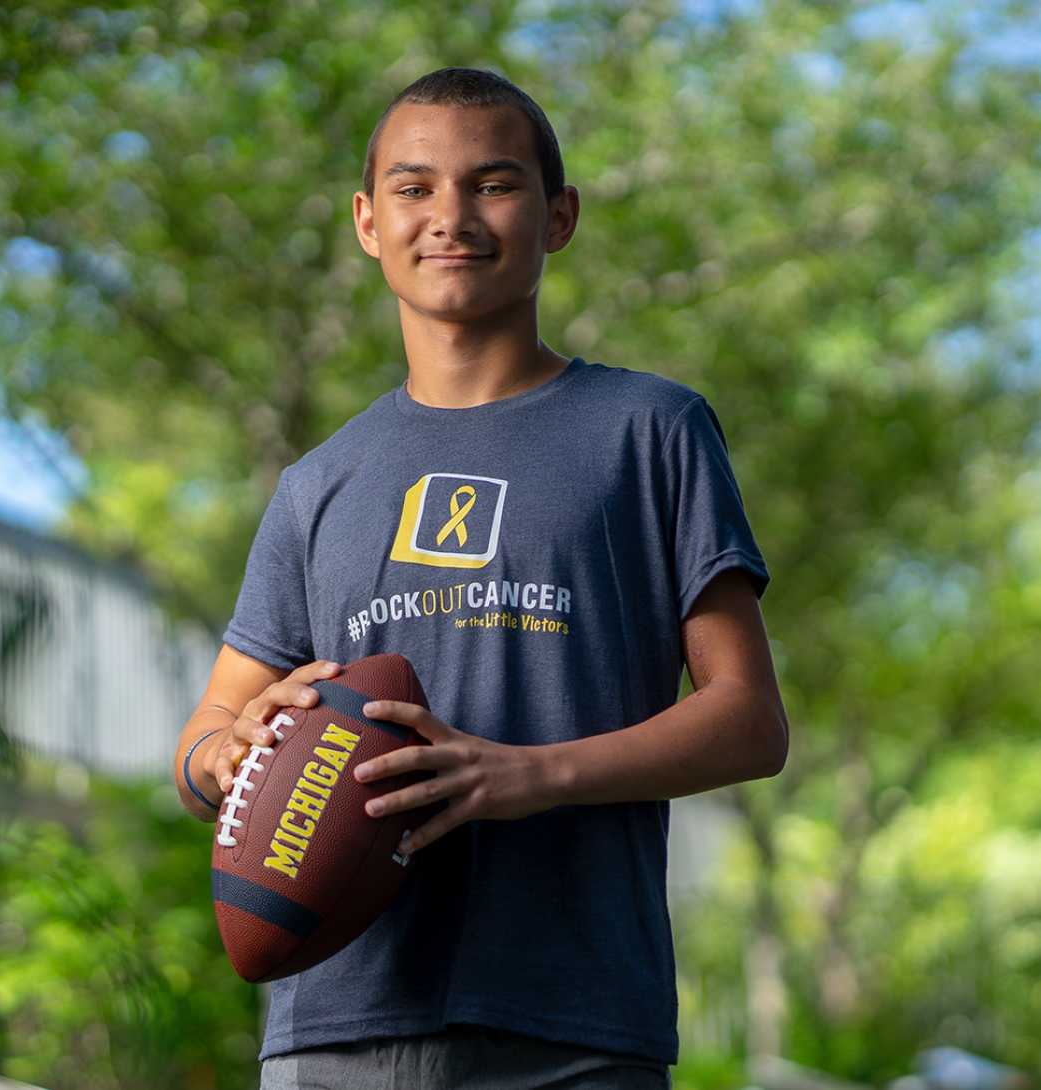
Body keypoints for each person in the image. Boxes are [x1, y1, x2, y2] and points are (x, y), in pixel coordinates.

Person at [174, 67, 788, 1090]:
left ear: (558, 216)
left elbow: (748, 720)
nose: (450, 216)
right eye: (414, 189)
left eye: (492, 184)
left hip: (573, 1017)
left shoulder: (649, 432)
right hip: (334, 1022)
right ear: (369, 223)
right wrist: (228, 754)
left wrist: (523, 773)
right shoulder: (317, 484)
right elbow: (200, 748)